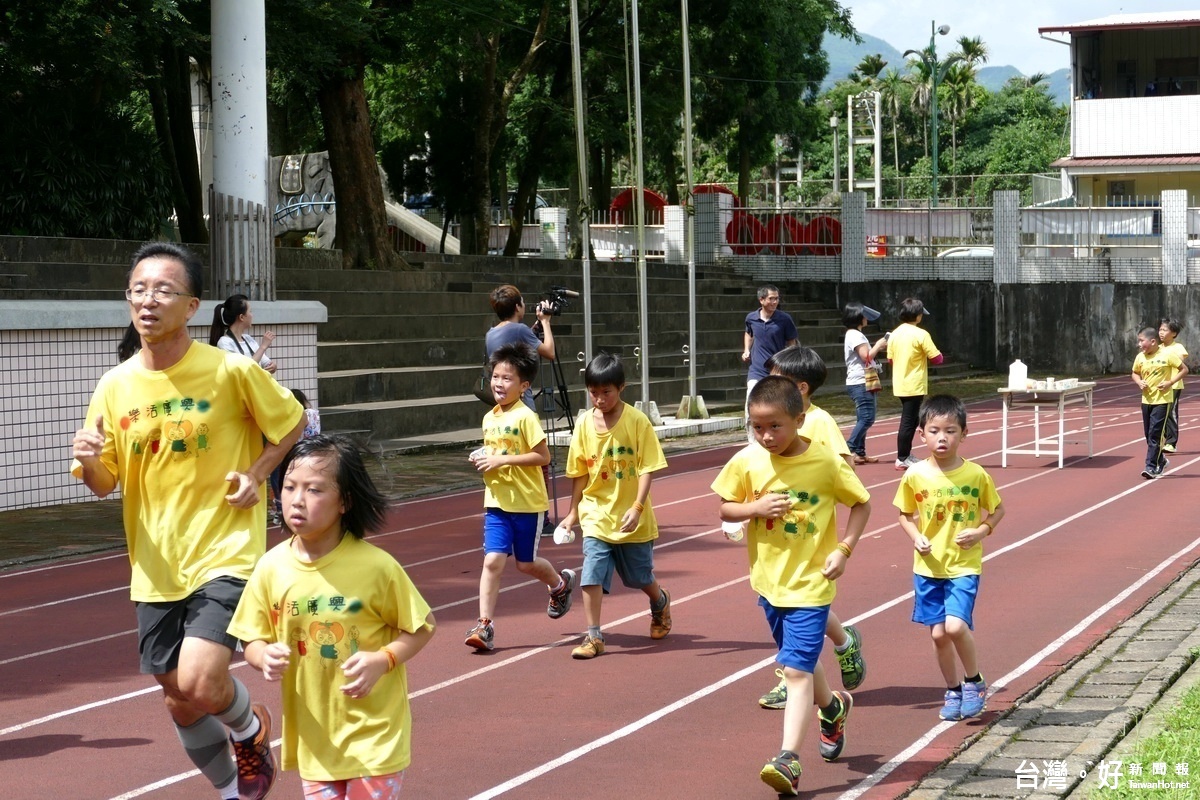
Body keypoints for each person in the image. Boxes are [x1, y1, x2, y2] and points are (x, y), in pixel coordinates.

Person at [70, 241, 306, 800]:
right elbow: (107, 482)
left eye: (163, 291)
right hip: (154, 563)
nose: (148, 301)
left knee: (201, 680)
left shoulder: (230, 371)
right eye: (138, 290)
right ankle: (232, 790)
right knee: (177, 696)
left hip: (223, 548)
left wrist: (257, 472)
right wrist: (86, 461)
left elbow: (292, 423)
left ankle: (250, 730)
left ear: (192, 306)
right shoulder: (115, 385)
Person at [228, 435, 436, 800]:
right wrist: (263, 656)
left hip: (375, 736)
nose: (297, 499)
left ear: (345, 502)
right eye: (289, 486)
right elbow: (251, 637)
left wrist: (382, 659)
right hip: (316, 739)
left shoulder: (377, 568)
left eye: (314, 490)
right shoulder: (271, 568)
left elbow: (420, 628)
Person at [711, 377, 871, 796]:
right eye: (757, 427)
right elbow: (725, 507)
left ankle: (788, 759)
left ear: (799, 420)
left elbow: (861, 502)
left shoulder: (824, 463)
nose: (766, 436)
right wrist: (754, 508)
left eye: (775, 426)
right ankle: (833, 708)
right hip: (768, 581)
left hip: (812, 585)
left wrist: (845, 548)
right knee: (800, 660)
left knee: (796, 670)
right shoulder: (748, 461)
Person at [753, 346, 867, 712]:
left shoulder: (818, 422)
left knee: (802, 601)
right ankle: (844, 640)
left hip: (809, 530)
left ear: (800, 389)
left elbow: (844, 466)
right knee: (791, 600)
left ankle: (793, 677)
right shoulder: (773, 419)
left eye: (778, 378)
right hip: (776, 532)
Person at [894, 395, 1004, 722]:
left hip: (963, 565)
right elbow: (904, 514)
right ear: (921, 434)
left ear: (964, 434)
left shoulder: (976, 475)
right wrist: (918, 538)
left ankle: (974, 681)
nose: (942, 438)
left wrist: (981, 532)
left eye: (951, 431)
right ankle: (953, 689)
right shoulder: (914, 476)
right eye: (935, 430)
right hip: (928, 567)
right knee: (939, 635)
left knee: (955, 627)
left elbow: (997, 510)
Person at [557, 352, 671, 659]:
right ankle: (594, 636)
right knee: (592, 569)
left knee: (638, 577)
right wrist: (571, 514)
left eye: (606, 392)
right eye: (593, 393)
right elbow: (580, 473)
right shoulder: (582, 425)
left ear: (622, 387)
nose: (599, 399)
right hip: (595, 512)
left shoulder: (637, 422)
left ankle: (659, 601)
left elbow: (647, 467)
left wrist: (636, 507)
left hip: (630, 515)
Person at [464, 342, 576, 651]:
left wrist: (500, 460)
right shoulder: (490, 418)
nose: (499, 383)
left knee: (526, 565)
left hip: (527, 504)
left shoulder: (525, 417)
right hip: (497, 502)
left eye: (507, 378)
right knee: (492, 561)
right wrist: (484, 455)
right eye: (496, 376)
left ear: (524, 386)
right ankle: (484, 625)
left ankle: (559, 584)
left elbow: (542, 456)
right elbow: (497, 451)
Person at [887, 298, 943, 470]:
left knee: (910, 420)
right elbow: (937, 358)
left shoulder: (894, 334)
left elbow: (890, 359)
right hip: (914, 383)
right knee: (908, 421)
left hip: (900, 382)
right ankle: (902, 457)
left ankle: (905, 454)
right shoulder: (921, 334)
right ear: (918, 316)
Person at [485, 284, 556, 410]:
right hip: (521, 400)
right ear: (517, 307)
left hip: (502, 399)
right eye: (522, 301)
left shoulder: (490, 333)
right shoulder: (520, 330)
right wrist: (545, 321)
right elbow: (550, 353)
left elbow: (513, 341)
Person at [1132, 327, 1188, 479]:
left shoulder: (1167, 355)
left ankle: (1150, 467)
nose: (1139, 344)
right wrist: (1139, 382)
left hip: (1163, 401)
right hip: (1146, 400)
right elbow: (1135, 372)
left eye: (1141, 341)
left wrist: (1170, 382)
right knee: (1148, 434)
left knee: (1155, 434)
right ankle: (1161, 460)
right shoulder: (1140, 358)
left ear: (1152, 341)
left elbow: (1184, 369)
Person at [842, 303, 889, 464]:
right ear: (857, 317)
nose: (866, 318)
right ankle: (849, 448)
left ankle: (860, 452)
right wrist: (878, 345)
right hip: (860, 381)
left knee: (863, 417)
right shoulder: (855, 335)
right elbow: (866, 357)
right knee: (867, 418)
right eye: (864, 315)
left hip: (862, 381)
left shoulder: (854, 334)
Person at [742, 284, 798, 400]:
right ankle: (750, 419)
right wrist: (746, 350)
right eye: (771, 298)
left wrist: (788, 362)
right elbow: (749, 333)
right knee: (751, 397)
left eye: (776, 298)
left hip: (777, 368)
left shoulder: (785, 319)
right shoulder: (751, 318)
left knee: (775, 401)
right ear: (761, 300)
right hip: (756, 369)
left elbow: (791, 342)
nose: (774, 302)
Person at [209, 293, 277, 374]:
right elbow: (243, 371)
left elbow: (264, 361)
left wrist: (272, 365)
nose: (252, 315)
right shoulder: (224, 343)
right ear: (241, 317)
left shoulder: (248, 339)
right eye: (250, 311)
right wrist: (263, 347)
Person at [1157, 318, 1188, 454]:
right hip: (1159, 386)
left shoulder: (1178, 347)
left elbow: (1180, 360)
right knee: (1159, 413)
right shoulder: (1157, 348)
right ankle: (1162, 439)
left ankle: (1171, 442)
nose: (1161, 333)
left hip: (1173, 385)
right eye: (1160, 330)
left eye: (1165, 330)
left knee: (1171, 413)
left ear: (1174, 333)